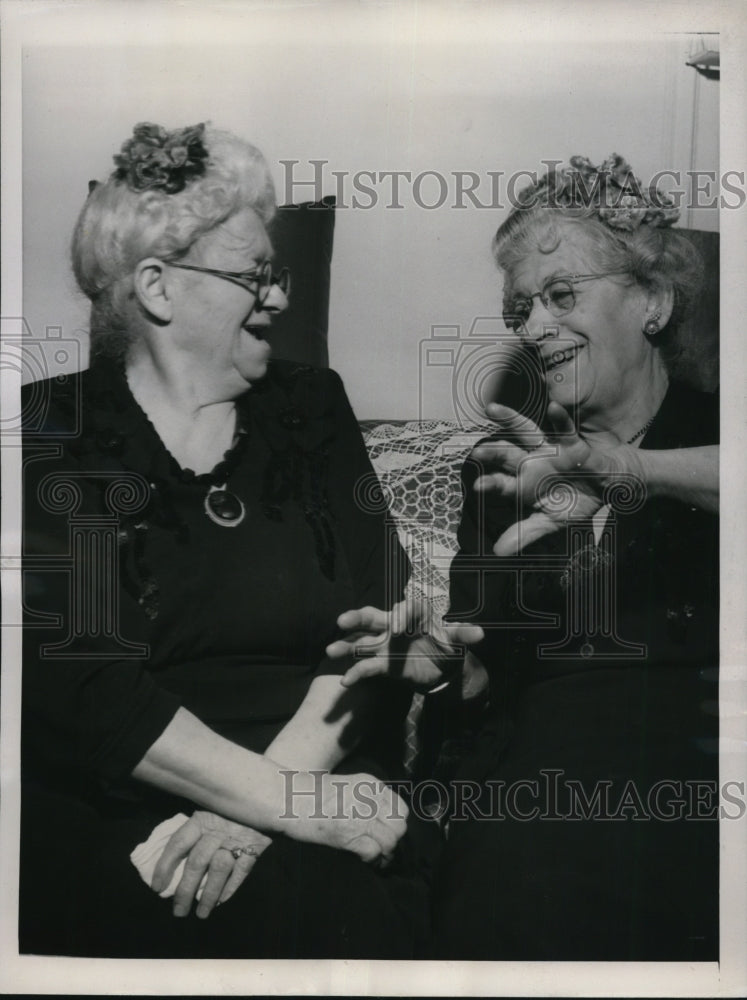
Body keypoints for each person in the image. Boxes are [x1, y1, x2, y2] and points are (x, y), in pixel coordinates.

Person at [20, 122, 427, 959]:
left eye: (275, 274)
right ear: (160, 289)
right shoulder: (54, 430)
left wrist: (250, 817)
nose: (279, 298)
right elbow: (88, 690)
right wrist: (293, 811)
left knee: (334, 908)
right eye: (253, 277)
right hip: (130, 808)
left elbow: (378, 636)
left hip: (316, 765)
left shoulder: (312, 408)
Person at [331, 155, 719, 960]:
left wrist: (623, 471)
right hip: (534, 796)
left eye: (561, 295)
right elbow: (483, 684)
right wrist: (441, 667)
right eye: (521, 306)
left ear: (651, 301)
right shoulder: (502, 470)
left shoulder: (717, 436)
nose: (533, 327)